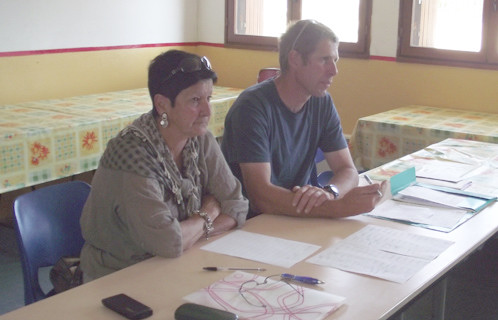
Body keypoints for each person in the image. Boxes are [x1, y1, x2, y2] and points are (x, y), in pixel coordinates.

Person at [80, 50, 248, 280]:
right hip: (118, 277)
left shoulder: (199, 138)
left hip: (179, 264)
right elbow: (169, 242)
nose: (207, 111)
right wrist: (209, 212)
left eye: (208, 98)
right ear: (162, 104)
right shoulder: (131, 155)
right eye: (195, 100)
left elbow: (237, 205)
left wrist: (189, 234)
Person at [221, 20, 386, 219]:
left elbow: (347, 170)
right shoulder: (252, 107)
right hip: (252, 225)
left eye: (335, 60)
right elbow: (261, 197)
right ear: (295, 59)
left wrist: (330, 192)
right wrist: (337, 208)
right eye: (324, 60)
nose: (334, 71)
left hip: (296, 218)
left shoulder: (321, 102)